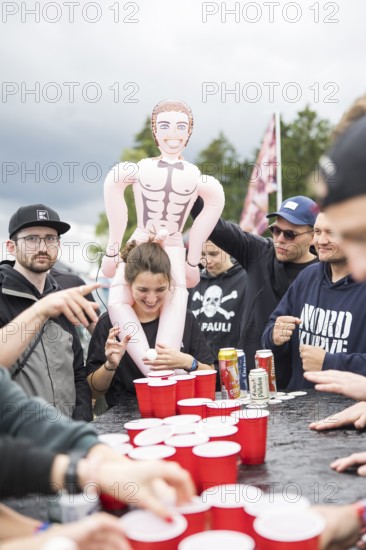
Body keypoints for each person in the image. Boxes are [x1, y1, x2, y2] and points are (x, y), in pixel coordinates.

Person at [101, 99, 224, 377]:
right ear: (154, 131)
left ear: (189, 132)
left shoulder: (197, 177)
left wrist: (193, 259)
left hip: (174, 243)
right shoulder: (139, 169)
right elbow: (113, 187)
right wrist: (112, 248)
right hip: (142, 236)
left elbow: (214, 204)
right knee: (118, 299)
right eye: (165, 125)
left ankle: (162, 366)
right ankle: (150, 366)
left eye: (181, 126)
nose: (173, 133)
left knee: (175, 296)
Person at [191, 195, 318, 388]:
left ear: (313, 236)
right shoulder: (259, 253)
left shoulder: (325, 273)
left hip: (301, 388)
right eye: (275, 230)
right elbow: (216, 227)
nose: (280, 239)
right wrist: (187, 189)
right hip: (253, 381)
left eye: (290, 234)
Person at [87, 240, 215, 407]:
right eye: (143, 290)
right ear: (128, 283)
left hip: (179, 415)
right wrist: (110, 365)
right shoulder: (109, 323)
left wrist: (188, 362)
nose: (152, 299)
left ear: (170, 283)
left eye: (160, 290)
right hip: (126, 420)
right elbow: (93, 390)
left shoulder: (185, 318)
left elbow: (211, 376)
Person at [0, 204, 92, 421]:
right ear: (11, 247)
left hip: (66, 435)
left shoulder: (63, 297)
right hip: (17, 441)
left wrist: (80, 422)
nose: (42, 246)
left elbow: (77, 370)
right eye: (32, 239)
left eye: (50, 239)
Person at [262, 212, 366, 390]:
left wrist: (329, 362)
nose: (321, 241)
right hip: (299, 410)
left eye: (331, 233)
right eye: (317, 232)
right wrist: (274, 337)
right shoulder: (308, 276)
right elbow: (269, 333)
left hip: (349, 414)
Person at [187, 240, 247, 389]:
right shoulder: (193, 282)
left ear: (227, 250)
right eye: (202, 255)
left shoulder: (246, 279)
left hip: (233, 369)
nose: (207, 260)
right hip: (199, 369)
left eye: (213, 254)